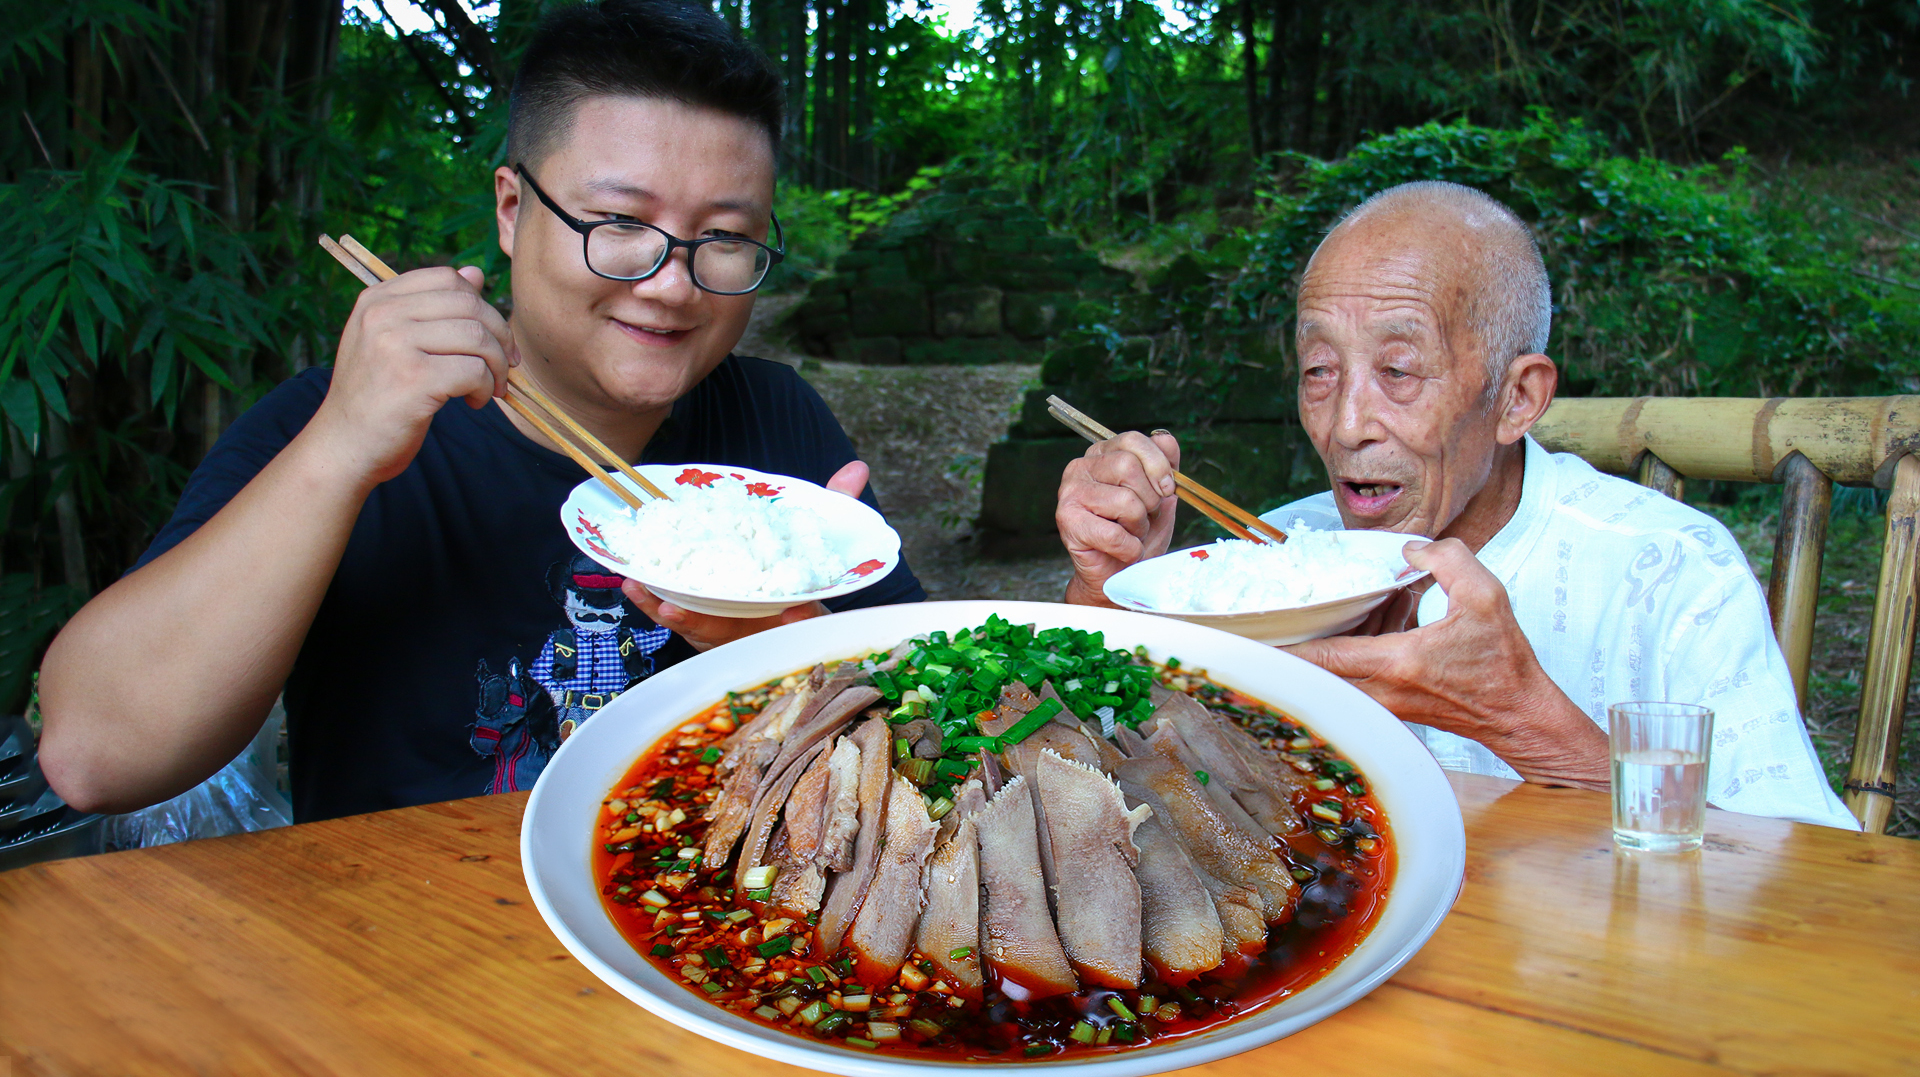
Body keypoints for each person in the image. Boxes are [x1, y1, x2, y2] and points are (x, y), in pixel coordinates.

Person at [38, 0, 923, 823]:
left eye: (725, 239)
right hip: (413, 949)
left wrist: (797, 649)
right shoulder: (344, 418)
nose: (670, 284)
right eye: (618, 221)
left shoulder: (779, 430)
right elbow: (94, 759)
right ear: (511, 209)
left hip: (695, 939)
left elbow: (933, 745)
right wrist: (340, 451)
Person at [1056, 180, 1857, 830]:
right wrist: (1110, 585)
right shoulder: (1280, 559)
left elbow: (1805, 886)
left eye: (1400, 371)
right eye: (1319, 371)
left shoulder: (1671, 571)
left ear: (1516, 398)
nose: (1345, 426)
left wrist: (1523, 720)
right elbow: (1125, 810)